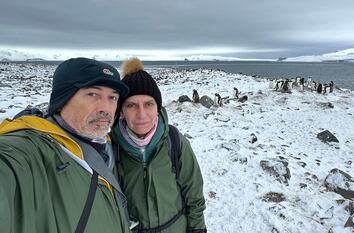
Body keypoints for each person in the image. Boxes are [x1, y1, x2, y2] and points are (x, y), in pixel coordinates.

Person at [0, 57, 132, 233]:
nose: (106, 108)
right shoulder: (31, 149)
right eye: (93, 94)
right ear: (63, 99)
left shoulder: (105, 147)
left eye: (113, 97)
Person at [112, 57, 207, 233]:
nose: (141, 115)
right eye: (131, 105)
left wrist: (197, 229)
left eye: (148, 104)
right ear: (122, 112)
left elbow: (193, 194)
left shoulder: (174, 141)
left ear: (157, 108)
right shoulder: (112, 147)